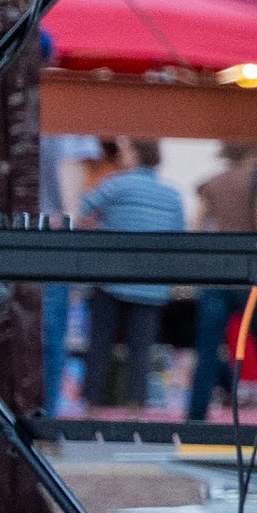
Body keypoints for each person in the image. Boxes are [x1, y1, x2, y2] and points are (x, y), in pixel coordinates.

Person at [80, 141, 189, 410]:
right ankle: (135, 406)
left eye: (125, 152)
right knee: (141, 349)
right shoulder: (172, 195)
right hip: (151, 283)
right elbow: (179, 237)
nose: (120, 156)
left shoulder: (117, 184)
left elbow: (81, 208)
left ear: (137, 155)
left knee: (100, 344)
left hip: (111, 278)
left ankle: (91, 403)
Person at [183, 141, 257, 423]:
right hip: (250, 273)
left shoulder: (211, 182)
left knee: (207, 349)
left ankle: (196, 416)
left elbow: (196, 227)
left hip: (216, 272)